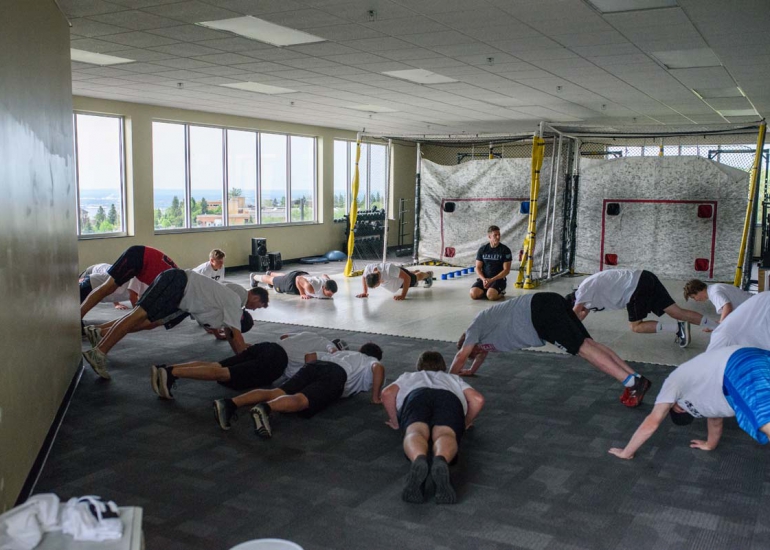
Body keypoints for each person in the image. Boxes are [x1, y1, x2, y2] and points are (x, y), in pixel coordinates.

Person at [449, 292, 651, 407]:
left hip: (538, 313)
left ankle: (633, 382)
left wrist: (446, 381)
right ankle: (634, 378)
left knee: (582, 349)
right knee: (589, 344)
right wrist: (471, 371)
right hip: (546, 303)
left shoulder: (474, 328)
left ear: (468, 342)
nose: (475, 355)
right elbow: (479, 354)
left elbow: (461, 355)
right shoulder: (483, 339)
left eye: (472, 353)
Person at [82, 269, 268, 380]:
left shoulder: (232, 299)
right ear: (257, 297)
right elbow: (236, 335)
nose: (255, 309)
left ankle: (99, 336)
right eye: (259, 306)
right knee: (137, 317)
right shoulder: (236, 300)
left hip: (179, 289)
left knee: (145, 321)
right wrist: (245, 356)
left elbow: (229, 331)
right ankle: (99, 351)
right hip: (179, 284)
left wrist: (236, 349)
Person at [608, 346, 770, 460]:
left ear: (676, 408)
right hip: (758, 355)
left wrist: (627, 452)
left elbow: (653, 421)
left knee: (764, 420)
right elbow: (715, 421)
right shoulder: (709, 403)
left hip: (738, 367)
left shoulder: (673, 381)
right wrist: (709, 444)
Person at [212, 343, 385, 437]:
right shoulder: (370, 360)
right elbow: (378, 368)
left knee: (277, 392)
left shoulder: (343, 354)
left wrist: (308, 375)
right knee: (302, 400)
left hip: (315, 366)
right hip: (336, 375)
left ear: (360, 349)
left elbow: (311, 355)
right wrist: (375, 397)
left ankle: (230, 404)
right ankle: (265, 409)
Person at [381, 351, 485, 504]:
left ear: (419, 366)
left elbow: (386, 393)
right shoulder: (453, 378)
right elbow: (478, 399)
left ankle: (419, 459)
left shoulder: (408, 376)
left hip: (417, 397)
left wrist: (395, 421)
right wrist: (464, 423)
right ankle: (440, 459)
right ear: (443, 366)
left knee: (415, 431)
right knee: (446, 434)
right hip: (448, 399)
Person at [150, 332, 348, 400]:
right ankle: (172, 373)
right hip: (275, 361)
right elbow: (329, 356)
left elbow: (284, 336)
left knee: (216, 365)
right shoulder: (329, 347)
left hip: (267, 347)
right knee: (222, 373)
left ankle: (166, 367)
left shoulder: (312, 335)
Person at [567, 269, 719, 348]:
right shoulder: (586, 299)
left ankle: (677, 329)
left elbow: (574, 316)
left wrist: (566, 332)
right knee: (677, 312)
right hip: (645, 277)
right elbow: (581, 315)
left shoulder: (583, 291)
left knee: (636, 326)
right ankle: (719, 327)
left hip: (635, 287)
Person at [80, 245, 177, 320]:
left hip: (139, 255)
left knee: (109, 286)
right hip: (93, 271)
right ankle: (77, 317)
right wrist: (136, 318)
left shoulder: (171, 280)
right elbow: (132, 296)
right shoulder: (140, 278)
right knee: (106, 286)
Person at [470, 225, 512, 301]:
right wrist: (483, 280)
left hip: (498, 279)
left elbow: (506, 270)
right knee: (473, 294)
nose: (498, 237)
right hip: (485, 279)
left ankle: (500, 292)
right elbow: (477, 268)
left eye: (499, 234)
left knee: (491, 296)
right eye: (495, 235)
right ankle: (488, 290)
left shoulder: (505, 250)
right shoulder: (482, 249)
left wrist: (492, 280)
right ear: (489, 237)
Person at [683, 279, 751, 324]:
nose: (696, 300)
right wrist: (718, 323)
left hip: (755, 308)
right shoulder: (714, 288)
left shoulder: (714, 293)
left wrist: (721, 324)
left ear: (698, 290)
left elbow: (727, 307)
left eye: (693, 297)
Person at [357, 263, 433, 301]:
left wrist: (403, 295)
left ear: (379, 282)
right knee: (408, 275)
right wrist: (365, 292)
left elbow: (407, 278)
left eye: (374, 287)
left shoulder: (388, 269)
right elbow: (364, 277)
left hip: (402, 279)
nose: (375, 288)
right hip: (396, 276)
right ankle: (413, 272)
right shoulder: (368, 269)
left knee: (415, 277)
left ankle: (428, 274)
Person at [251, 270, 337, 299]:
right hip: (293, 283)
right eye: (328, 294)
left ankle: (270, 272)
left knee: (283, 277)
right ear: (323, 288)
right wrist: (302, 293)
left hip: (303, 275)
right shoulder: (312, 288)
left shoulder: (327, 281)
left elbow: (324, 275)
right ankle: (254, 277)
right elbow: (298, 279)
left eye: (332, 295)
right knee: (272, 281)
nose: (330, 296)